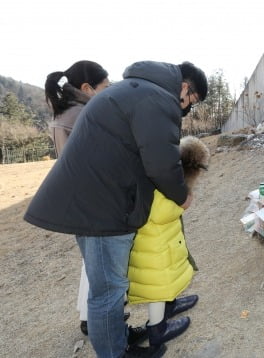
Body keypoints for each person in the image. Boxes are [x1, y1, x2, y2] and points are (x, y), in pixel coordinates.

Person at [25, 60, 208, 358]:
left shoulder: (136, 90)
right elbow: (162, 162)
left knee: (110, 286)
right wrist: (182, 195)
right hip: (99, 205)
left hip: (98, 198)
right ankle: (115, 353)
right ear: (185, 87)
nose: (187, 108)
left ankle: (118, 337)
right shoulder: (157, 98)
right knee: (107, 291)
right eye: (192, 100)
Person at [44, 60, 131, 338]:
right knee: (103, 275)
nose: (107, 92)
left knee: (93, 267)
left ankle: (90, 318)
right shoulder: (84, 113)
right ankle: (103, 328)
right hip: (94, 201)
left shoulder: (64, 114)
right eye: (104, 87)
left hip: (78, 200)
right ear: (87, 88)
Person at [127, 136, 209, 350]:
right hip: (153, 246)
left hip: (159, 242)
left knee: (167, 280)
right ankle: (157, 329)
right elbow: (160, 211)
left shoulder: (164, 173)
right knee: (158, 287)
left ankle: (169, 305)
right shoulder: (164, 182)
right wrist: (182, 204)